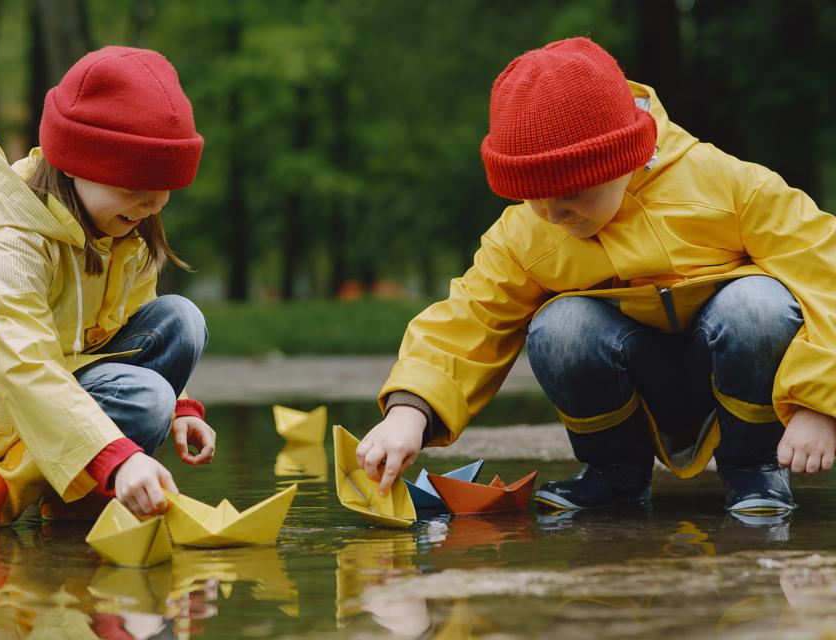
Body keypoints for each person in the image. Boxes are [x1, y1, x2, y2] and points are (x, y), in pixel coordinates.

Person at [357, 37, 836, 515]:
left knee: (758, 303)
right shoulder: (528, 232)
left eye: (572, 192)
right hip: (632, 382)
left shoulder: (727, 185)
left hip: (738, 379)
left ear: (624, 157)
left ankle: (755, 468)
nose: (553, 213)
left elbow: (825, 275)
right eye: (532, 195)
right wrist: (408, 412)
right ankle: (614, 474)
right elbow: (469, 318)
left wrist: (819, 402)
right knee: (560, 325)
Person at [0, 45, 216, 536]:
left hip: (69, 376)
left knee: (180, 320)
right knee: (144, 401)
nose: (155, 203)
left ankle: (76, 495)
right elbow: (23, 367)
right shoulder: (6, 247)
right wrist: (118, 457)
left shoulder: (124, 230)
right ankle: (4, 485)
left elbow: (133, 322)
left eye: (166, 189)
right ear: (76, 162)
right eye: (136, 184)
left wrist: (182, 406)